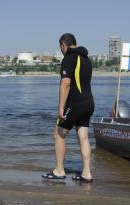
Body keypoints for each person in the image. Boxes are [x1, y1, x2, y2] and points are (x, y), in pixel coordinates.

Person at [42, 33, 94, 183]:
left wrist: (61, 107)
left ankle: (59, 171)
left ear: (63, 46)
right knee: (83, 137)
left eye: (61, 48)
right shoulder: (86, 59)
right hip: (89, 103)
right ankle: (86, 173)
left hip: (75, 104)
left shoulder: (68, 58)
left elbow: (65, 83)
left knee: (58, 134)